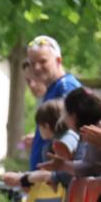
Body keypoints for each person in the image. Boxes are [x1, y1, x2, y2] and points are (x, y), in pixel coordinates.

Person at [25, 36, 82, 171]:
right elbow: (57, 130)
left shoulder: (66, 88)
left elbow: (72, 133)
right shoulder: (53, 89)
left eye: (43, 61)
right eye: (32, 63)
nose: (37, 67)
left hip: (55, 181)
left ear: (58, 60)